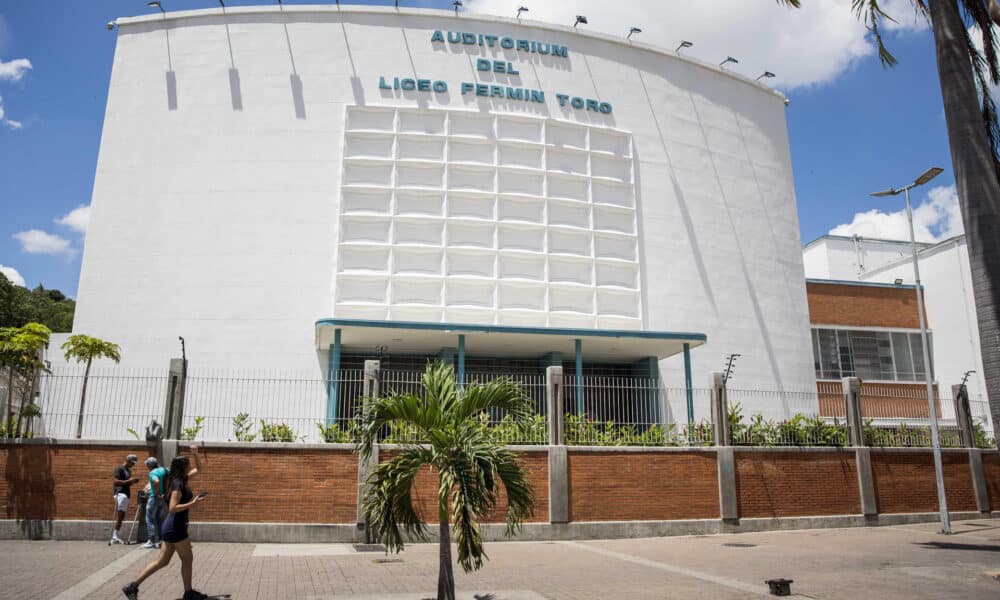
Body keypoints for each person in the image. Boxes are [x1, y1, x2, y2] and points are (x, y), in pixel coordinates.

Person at [122, 445, 208, 600]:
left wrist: (195, 454)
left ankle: (132, 586)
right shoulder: (177, 485)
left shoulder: (181, 479)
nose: (190, 466)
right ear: (183, 467)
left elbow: (200, 469)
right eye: (188, 464)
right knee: (187, 559)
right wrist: (192, 504)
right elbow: (173, 507)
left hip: (172, 526)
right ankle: (188, 593)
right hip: (175, 527)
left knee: (162, 561)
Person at [111, 454, 140, 544]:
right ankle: (114, 536)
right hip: (120, 493)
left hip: (126, 494)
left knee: (122, 516)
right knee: (120, 515)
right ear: (127, 461)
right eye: (132, 463)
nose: (133, 465)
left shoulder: (128, 471)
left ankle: (115, 535)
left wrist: (133, 482)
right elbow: (116, 481)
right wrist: (130, 481)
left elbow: (127, 483)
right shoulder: (119, 468)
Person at [142, 457, 167, 549]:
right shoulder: (163, 470)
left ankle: (151, 541)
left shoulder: (152, 473)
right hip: (162, 499)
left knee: (150, 519)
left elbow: (156, 481)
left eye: (147, 465)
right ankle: (160, 541)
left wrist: (156, 493)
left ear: (149, 465)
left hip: (154, 498)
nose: (146, 467)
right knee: (159, 520)